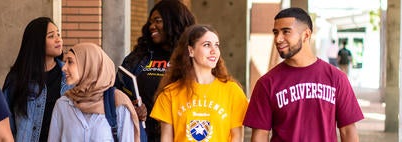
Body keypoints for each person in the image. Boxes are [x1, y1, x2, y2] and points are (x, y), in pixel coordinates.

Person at [243, 8, 363, 142]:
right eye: (276, 33)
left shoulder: (336, 78)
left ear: (306, 35)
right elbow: (260, 135)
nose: (278, 39)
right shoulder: (266, 83)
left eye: (286, 31)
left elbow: (348, 131)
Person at [149, 25, 248, 142]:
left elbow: (237, 137)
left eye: (216, 45)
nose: (214, 50)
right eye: (207, 45)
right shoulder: (170, 93)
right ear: (191, 51)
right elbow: (166, 139)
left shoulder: (233, 91)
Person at [114, 1, 195, 141]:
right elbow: (118, 91)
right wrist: (131, 106)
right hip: (143, 133)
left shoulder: (192, 57)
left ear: (174, 22)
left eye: (158, 21)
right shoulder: (139, 56)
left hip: (180, 133)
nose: (152, 26)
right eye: (150, 22)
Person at [48, 43, 140, 142]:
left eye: (70, 62)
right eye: (65, 62)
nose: (64, 68)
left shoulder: (117, 103)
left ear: (88, 64)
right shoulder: (63, 104)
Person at [2, 17, 71, 142]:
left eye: (58, 34)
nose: (58, 39)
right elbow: (5, 123)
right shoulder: (17, 77)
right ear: (37, 42)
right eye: (51, 36)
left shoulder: (68, 76)